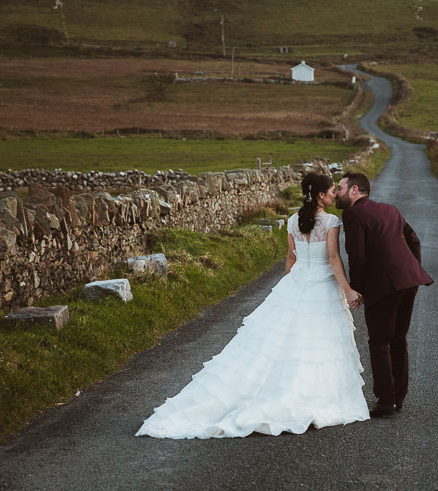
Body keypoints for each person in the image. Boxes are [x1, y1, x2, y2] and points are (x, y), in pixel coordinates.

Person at [136, 172, 369, 439]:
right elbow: (333, 259)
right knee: (315, 343)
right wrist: (348, 290)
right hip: (322, 285)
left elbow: (290, 261)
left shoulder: (293, 220)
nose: (334, 195)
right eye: (330, 191)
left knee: (283, 342)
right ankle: (308, 395)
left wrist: (289, 290)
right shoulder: (330, 221)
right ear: (319, 195)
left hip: (295, 283)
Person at [335, 171, 433, 418]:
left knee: (379, 341)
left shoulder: (353, 214)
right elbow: (414, 240)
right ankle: (399, 397)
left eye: (340, 188)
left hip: (383, 286)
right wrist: (412, 269)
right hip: (409, 280)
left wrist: (357, 289)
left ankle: (386, 400)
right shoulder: (390, 209)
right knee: (398, 338)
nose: (337, 193)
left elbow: (357, 255)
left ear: (355, 190)